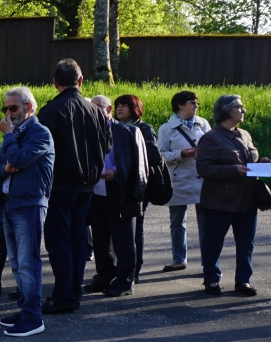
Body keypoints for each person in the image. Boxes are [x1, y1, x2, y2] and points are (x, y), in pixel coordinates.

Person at [38, 58, 111, 314]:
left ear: (55, 83)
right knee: (78, 239)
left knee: (59, 241)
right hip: (88, 185)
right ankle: (73, 291)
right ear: (80, 81)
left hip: (60, 185)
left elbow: (41, 148)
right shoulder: (96, 111)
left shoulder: (52, 110)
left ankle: (64, 295)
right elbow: (107, 145)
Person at [0, 87, 55, 337]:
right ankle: (26, 309)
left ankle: (33, 318)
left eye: (13, 108)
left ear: (28, 107)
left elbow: (17, 159)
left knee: (28, 262)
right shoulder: (15, 134)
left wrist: (8, 138)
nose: (8, 113)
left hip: (29, 204)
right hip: (9, 203)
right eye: (5, 108)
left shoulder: (40, 133)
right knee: (17, 263)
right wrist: (7, 167)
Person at [196, 94, 270, 297]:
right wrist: (233, 170)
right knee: (213, 242)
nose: (243, 110)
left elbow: (249, 162)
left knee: (246, 243)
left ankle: (243, 280)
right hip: (219, 201)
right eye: (239, 107)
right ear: (226, 110)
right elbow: (203, 168)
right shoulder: (211, 137)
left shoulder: (244, 134)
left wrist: (261, 164)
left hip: (247, 199)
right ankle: (211, 279)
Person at [85, 95, 147, 298]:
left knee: (124, 239)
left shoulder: (128, 131)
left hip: (120, 190)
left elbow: (139, 165)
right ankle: (105, 275)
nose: (92, 113)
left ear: (108, 109)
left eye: (97, 108)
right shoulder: (87, 132)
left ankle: (125, 280)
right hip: (95, 191)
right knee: (100, 237)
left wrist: (117, 173)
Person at [158, 91, 210, 272]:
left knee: (206, 224)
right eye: (192, 102)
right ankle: (179, 259)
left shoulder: (203, 124)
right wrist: (180, 154)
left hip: (202, 179)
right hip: (178, 180)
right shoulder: (166, 128)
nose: (196, 105)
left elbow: (213, 147)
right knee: (177, 223)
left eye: (197, 102)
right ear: (180, 105)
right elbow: (160, 156)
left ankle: (209, 264)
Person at [114, 94, 162, 283]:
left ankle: (134, 270)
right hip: (117, 185)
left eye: (124, 105)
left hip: (138, 185)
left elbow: (154, 156)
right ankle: (119, 269)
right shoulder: (113, 128)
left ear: (135, 108)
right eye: (117, 105)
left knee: (135, 228)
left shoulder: (144, 128)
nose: (119, 108)